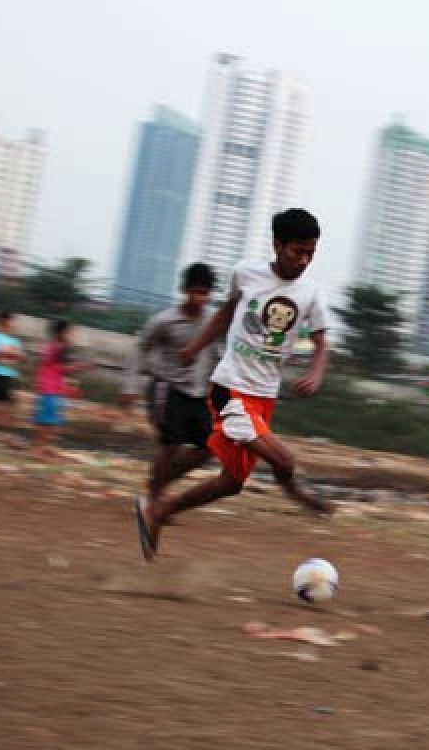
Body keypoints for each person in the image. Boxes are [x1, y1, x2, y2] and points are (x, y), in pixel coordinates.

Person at [134, 209, 333, 561]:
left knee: (232, 482)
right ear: (277, 245)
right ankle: (299, 493)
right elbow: (226, 313)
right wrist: (196, 346)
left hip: (264, 396)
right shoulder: (246, 274)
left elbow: (321, 343)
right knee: (284, 461)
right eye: (296, 252)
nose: (304, 261)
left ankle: (160, 511)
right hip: (230, 389)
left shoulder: (312, 294)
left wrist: (316, 372)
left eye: (310, 254)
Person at [121, 263, 218, 508]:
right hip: (168, 388)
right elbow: (140, 347)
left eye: (205, 293)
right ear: (184, 290)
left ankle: (157, 483)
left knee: (209, 448)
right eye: (196, 292)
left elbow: (218, 354)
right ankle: (154, 501)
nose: (200, 299)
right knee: (171, 444)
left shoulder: (214, 320)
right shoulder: (165, 320)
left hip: (199, 393)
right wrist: (130, 386)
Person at [32, 319, 89, 460]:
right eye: (70, 333)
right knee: (47, 421)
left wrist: (68, 389)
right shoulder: (56, 348)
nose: (72, 336)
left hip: (54, 389)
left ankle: (44, 447)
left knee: (52, 421)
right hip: (49, 389)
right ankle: (38, 449)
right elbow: (54, 368)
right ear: (62, 333)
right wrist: (80, 367)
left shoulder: (57, 348)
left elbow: (57, 371)